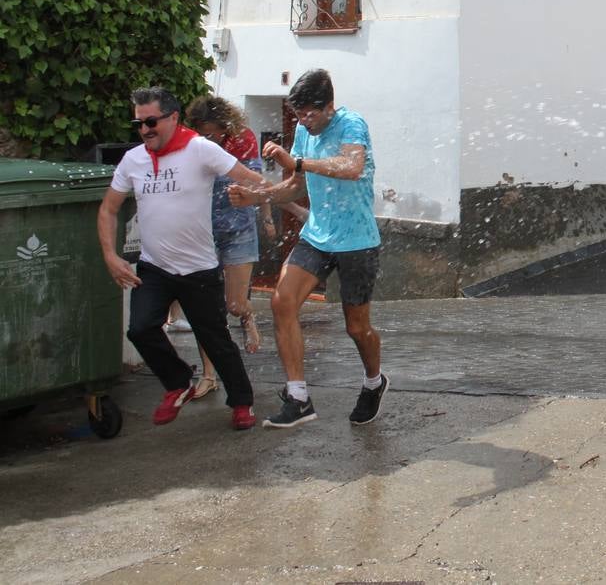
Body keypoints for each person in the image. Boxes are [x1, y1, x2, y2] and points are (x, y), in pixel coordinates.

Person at [96, 86, 263, 430]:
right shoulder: (134, 159)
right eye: (139, 123)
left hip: (199, 268)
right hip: (154, 266)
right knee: (140, 329)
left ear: (172, 118)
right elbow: (109, 209)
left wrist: (250, 195)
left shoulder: (200, 149)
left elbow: (255, 181)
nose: (144, 130)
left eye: (151, 122)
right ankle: (177, 383)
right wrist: (110, 256)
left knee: (216, 340)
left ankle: (242, 403)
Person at [229, 69, 388, 429]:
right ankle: (298, 397)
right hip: (317, 236)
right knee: (281, 301)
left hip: (357, 241)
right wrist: (258, 197)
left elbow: (352, 166)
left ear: (329, 105)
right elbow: (296, 186)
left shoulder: (351, 123)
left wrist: (297, 162)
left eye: (310, 114)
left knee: (357, 328)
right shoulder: (303, 130)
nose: (304, 122)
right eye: (298, 115)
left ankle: (373, 382)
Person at [183, 95, 271, 400]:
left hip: (239, 231)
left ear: (225, 126)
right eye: (202, 133)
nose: (208, 139)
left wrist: (246, 192)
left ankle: (247, 317)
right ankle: (208, 375)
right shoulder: (192, 147)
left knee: (233, 305)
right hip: (203, 234)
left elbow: (258, 183)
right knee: (207, 311)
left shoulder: (243, 141)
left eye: (213, 133)